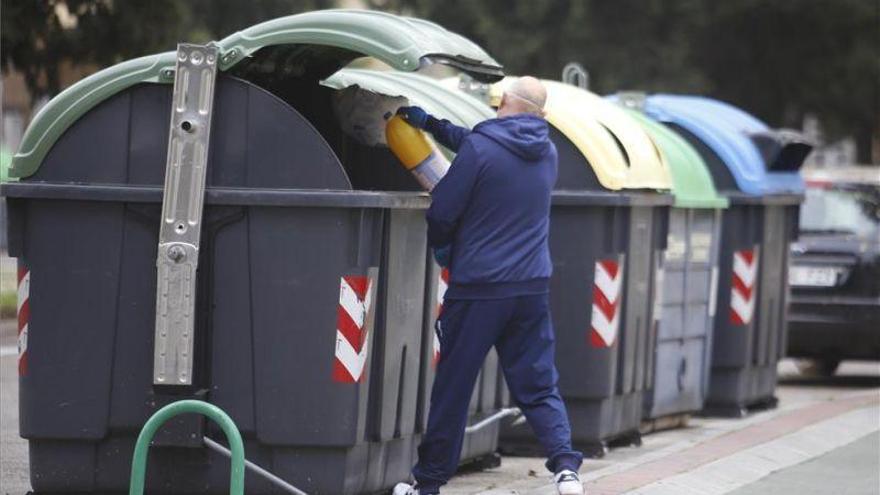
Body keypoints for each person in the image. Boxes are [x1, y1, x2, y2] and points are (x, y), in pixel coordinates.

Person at [392, 77, 584, 495]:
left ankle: (427, 485)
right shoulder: (547, 152)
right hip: (531, 287)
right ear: (541, 116)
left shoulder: (483, 148)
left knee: (454, 388)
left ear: (502, 104)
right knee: (538, 384)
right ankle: (567, 469)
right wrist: (436, 126)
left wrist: (445, 249)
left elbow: (443, 210)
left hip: (479, 287)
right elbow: (486, 148)